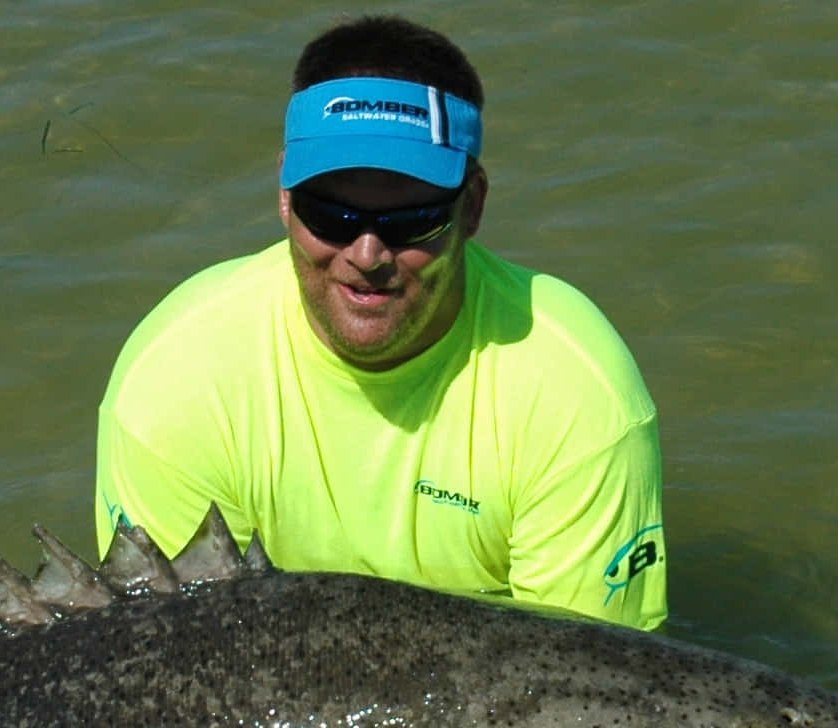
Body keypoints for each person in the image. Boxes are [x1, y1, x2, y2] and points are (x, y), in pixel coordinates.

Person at [94, 14, 667, 630]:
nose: (366, 255)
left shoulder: (576, 396)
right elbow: (168, 662)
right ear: (285, 195)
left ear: (471, 206)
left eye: (411, 219)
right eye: (330, 214)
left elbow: (589, 687)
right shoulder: (175, 382)